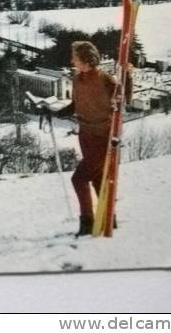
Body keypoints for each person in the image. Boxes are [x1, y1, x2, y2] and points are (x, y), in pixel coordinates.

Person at [69, 41, 132, 237]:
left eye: (75, 57)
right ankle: (108, 218)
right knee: (96, 178)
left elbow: (124, 98)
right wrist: (51, 110)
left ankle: (87, 222)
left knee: (79, 179)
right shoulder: (77, 79)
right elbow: (75, 105)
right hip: (85, 134)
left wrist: (127, 77)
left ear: (86, 60)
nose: (72, 60)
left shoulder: (104, 79)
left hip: (102, 136)